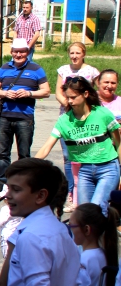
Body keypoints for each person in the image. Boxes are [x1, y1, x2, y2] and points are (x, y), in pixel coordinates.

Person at [35, 76, 120, 215]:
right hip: (84, 170)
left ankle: (103, 235)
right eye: (67, 97)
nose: (69, 101)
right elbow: (46, 147)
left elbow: (119, 142)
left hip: (108, 168)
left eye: (73, 97)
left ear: (85, 94)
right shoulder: (64, 120)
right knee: (84, 213)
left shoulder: (102, 114)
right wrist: (28, 167)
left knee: (97, 209)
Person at [0, 39, 50, 194]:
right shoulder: (4, 68)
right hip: (5, 116)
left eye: (22, 51)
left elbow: (46, 91)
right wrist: (5, 93)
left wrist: (29, 93)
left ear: (28, 52)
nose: (18, 54)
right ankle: (2, 183)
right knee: (3, 153)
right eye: (15, 51)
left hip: (25, 117)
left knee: (24, 153)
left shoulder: (36, 69)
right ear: (11, 52)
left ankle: (23, 183)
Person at [54, 43, 99, 211]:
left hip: (86, 119)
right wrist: (67, 103)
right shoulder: (63, 70)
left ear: (83, 53)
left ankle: (85, 193)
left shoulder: (92, 71)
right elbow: (58, 91)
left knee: (86, 156)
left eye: (77, 53)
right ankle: (71, 195)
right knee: (68, 156)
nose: (74, 56)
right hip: (67, 116)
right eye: (71, 53)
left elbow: (97, 91)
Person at [70, 203, 118, 286]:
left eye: (72, 226)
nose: (70, 230)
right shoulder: (105, 254)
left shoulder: (83, 260)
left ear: (86, 229)